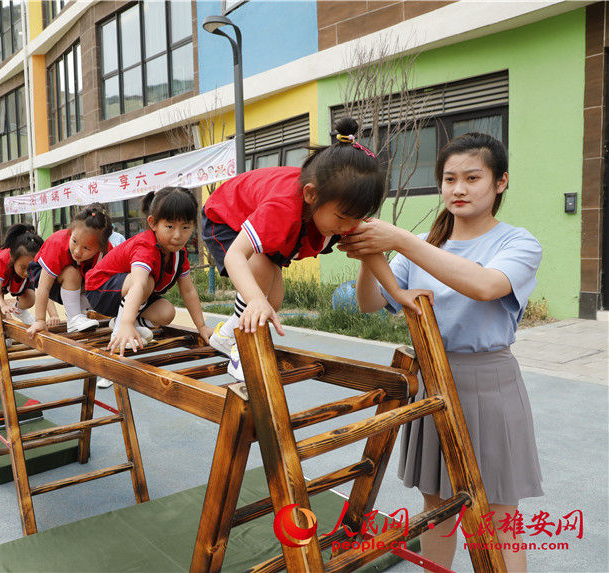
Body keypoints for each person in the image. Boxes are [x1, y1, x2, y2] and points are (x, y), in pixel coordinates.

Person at [343, 132, 543, 572]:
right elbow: (371, 302)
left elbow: (485, 285)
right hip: (430, 383)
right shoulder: (422, 244)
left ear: (500, 182)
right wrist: (367, 252)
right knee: (439, 512)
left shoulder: (518, 243)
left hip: (488, 385)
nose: (459, 188)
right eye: (449, 179)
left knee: (495, 518)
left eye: (473, 177)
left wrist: (398, 239)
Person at [201, 117, 429, 380]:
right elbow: (235, 255)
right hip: (227, 217)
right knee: (261, 278)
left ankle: (225, 335)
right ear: (310, 195)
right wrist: (254, 300)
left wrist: (397, 292)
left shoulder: (344, 209)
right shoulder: (282, 208)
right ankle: (244, 348)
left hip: (276, 219)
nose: (350, 227)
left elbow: (369, 248)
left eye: (359, 217)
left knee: (272, 300)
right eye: (343, 219)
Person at [85, 187, 214, 388]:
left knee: (167, 312)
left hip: (131, 294)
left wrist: (202, 326)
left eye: (186, 227)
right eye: (170, 227)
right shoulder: (146, 246)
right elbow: (138, 283)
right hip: (100, 289)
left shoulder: (179, 254)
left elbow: (188, 291)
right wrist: (126, 324)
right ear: (153, 223)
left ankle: (129, 321)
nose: (178, 235)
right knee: (146, 281)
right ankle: (118, 335)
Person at [26, 204, 113, 336]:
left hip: (81, 280)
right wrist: (39, 320)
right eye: (74, 241)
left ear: (101, 248)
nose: (77, 251)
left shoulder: (106, 251)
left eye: (86, 248)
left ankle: (79, 312)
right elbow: (43, 287)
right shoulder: (57, 244)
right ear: (70, 231)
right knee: (72, 273)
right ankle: (74, 318)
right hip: (46, 276)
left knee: (101, 281)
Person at [0, 224, 44, 325]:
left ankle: (19, 311)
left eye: (30, 268)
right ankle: (4, 330)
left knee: (30, 299)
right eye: (23, 267)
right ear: (13, 258)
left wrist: (53, 315)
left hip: (16, 275)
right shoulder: (3, 259)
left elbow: (44, 289)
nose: (26, 272)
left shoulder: (35, 263)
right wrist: (3, 306)